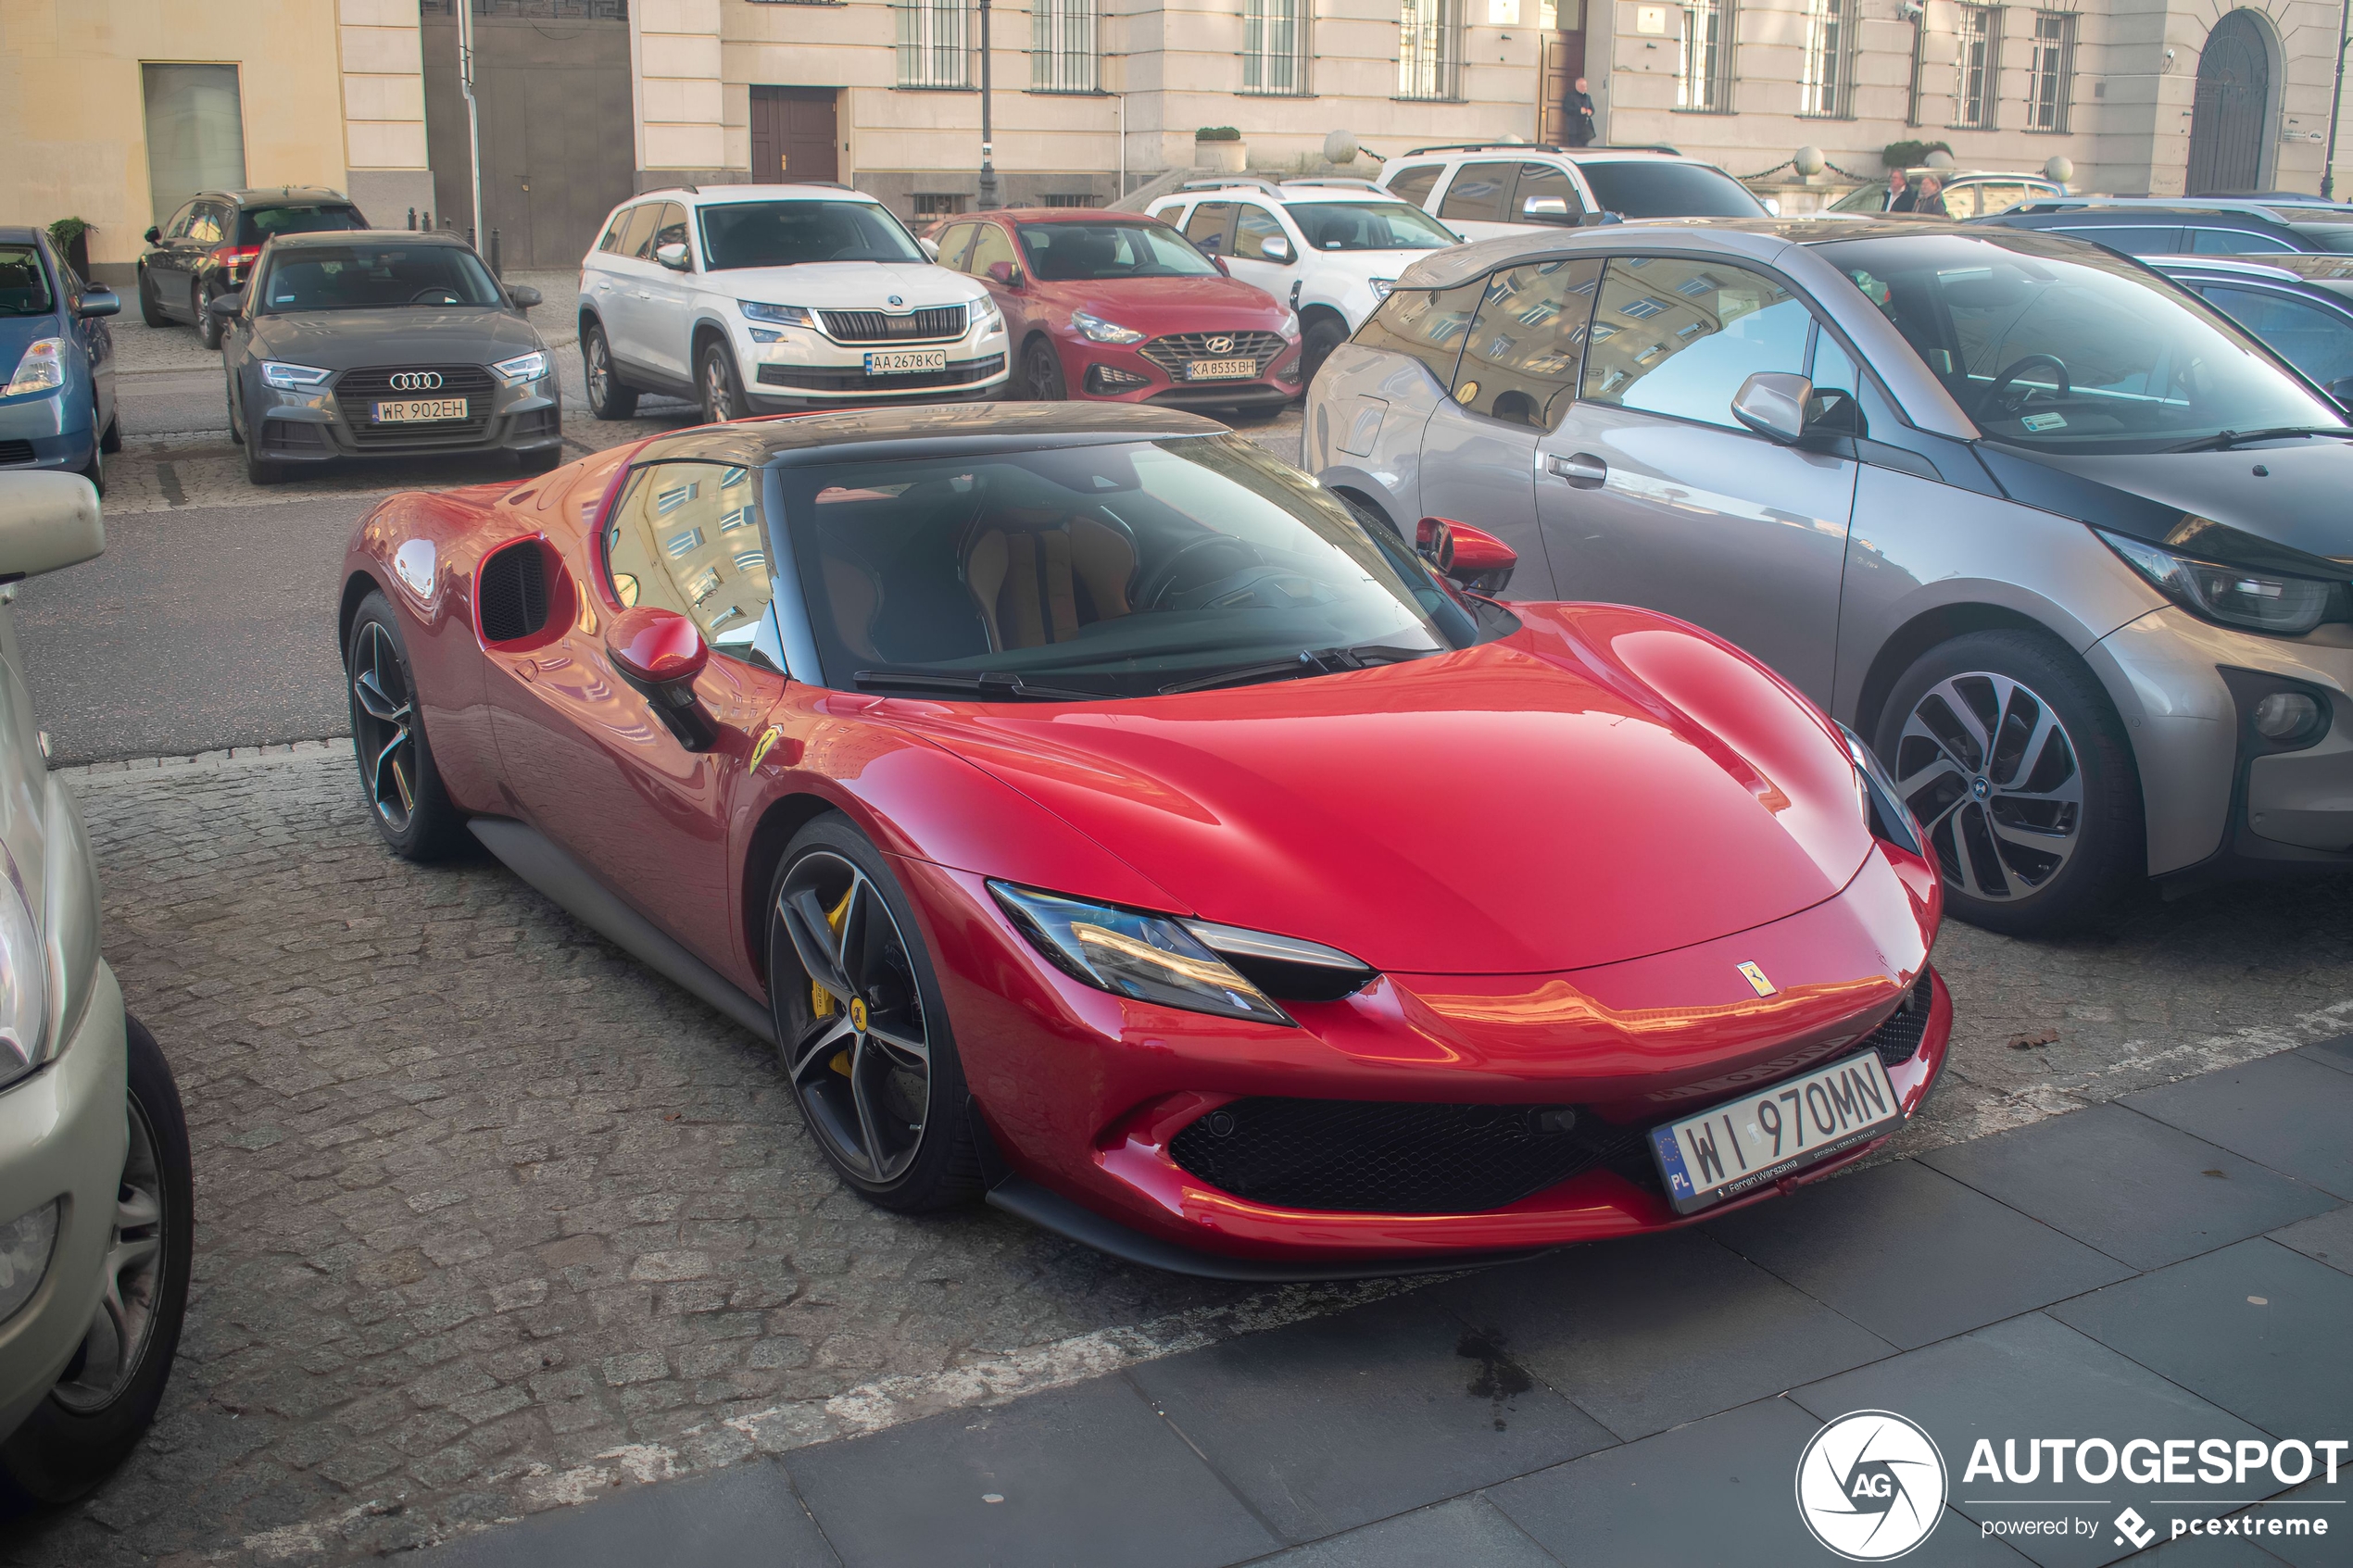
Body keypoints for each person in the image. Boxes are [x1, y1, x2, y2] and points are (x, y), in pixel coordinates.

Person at [1565, 78, 1596, 147]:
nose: (1584, 88)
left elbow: (1592, 109)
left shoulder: (1587, 97)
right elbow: (1566, 108)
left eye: (1585, 86)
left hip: (1584, 128)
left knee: (1584, 148)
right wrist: (1579, 111)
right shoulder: (1570, 96)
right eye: (1582, 86)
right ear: (1577, 86)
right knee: (1574, 147)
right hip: (1574, 128)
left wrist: (1589, 112)